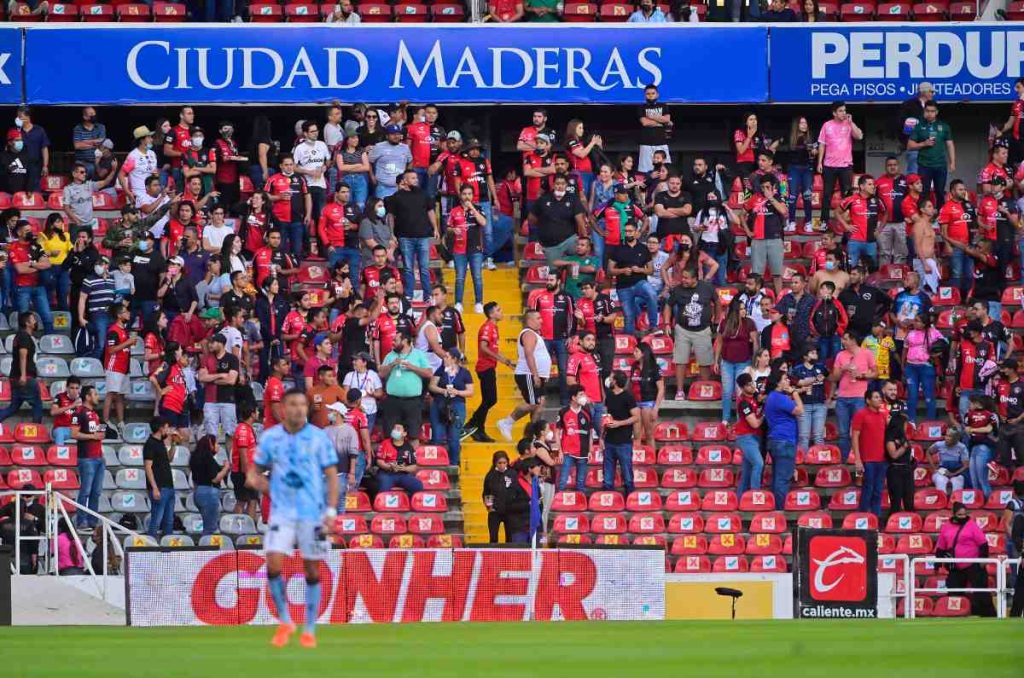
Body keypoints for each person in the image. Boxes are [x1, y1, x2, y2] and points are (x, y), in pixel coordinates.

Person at [247, 388, 340, 648]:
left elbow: (332, 476)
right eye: (293, 404)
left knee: (312, 569)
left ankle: (309, 628)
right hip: (282, 514)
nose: (298, 409)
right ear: (283, 408)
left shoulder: (318, 437)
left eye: (302, 404)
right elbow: (253, 473)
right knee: (273, 565)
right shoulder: (271, 438)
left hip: (313, 513)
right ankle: (286, 621)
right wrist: (264, 485)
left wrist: (331, 511)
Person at [497, 310, 552, 441]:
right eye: (538, 318)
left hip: (538, 375)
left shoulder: (535, 334)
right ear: (529, 320)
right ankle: (507, 422)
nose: (541, 321)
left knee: (540, 405)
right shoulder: (528, 333)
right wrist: (535, 374)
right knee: (534, 403)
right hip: (529, 374)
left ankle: (531, 436)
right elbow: (528, 353)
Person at [935, 502, 997, 617]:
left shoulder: (972, 525)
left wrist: (982, 560)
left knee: (981, 593)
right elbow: (941, 547)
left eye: (964, 514)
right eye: (960, 515)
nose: (963, 517)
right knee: (954, 593)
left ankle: (990, 617)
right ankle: (955, 616)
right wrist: (937, 564)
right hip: (955, 566)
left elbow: (983, 544)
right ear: (953, 514)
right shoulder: (946, 527)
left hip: (973, 565)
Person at [465, 302, 514, 443]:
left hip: (489, 366)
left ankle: (478, 429)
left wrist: (506, 361)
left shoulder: (494, 327)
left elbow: (492, 349)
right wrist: (501, 359)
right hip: (485, 367)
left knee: (489, 400)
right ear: (491, 314)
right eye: (498, 310)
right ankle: (472, 425)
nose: (501, 312)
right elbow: (483, 347)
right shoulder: (488, 327)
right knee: (491, 399)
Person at [387, 170, 438, 302]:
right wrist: (392, 233)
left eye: (416, 178)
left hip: (423, 236)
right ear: (405, 180)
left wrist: (435, 228)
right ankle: (408, 294)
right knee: (408, 268)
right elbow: (391, 216)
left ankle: (428, 295)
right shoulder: (397, 197)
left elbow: (430, 211)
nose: (416, 180)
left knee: (424, 268)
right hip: (405, 237)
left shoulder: (423, 194)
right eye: (413, 178)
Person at [667, 267, 717, 400]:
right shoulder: (678, 290)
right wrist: (666, 323)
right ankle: (679, 391)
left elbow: (717, 301)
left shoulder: (707, 288)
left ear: (695, 278)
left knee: (705, 362)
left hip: (703, 330)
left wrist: (717, 320)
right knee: (680, 361)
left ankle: (705, 390)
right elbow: (668, 305)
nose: (683, 280)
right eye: (682, 277)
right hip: (683, 330)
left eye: (686, 278)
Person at [379, 331, 434, 442]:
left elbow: (429, 373)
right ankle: (391, 453)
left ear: (404, 341)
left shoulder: (419, 354)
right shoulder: (390, 355)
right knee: (390, 434)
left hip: (413, 402)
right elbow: (381, 374)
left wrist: (412, 367)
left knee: (414, 434)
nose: (393, 342)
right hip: (393, 401)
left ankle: (411, 454)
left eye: (395, 340)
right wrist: (392, 364)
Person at [832, 330, 877, 461]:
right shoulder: (840, 355)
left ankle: (861, 458)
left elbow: (876, 373)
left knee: (860, 430)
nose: (843, 341)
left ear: (853, 340)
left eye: (845, 339)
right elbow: (834, 377)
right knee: (843, 432)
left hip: (859, 397)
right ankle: (845, 460)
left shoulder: (866, 353)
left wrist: (862, 375)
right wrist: (843, 369)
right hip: (842, 398)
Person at [817, 101, 863, 227]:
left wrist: (851, 122)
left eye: (845, 110)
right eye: (841, 111)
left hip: (846, 166)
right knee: (827, 195)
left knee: (847, 195)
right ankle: (824, 222)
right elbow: (822, 144)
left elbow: (859, 136)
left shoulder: (849, 124)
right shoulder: (827, 125)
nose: (844, 113)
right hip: (829, 166)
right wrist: (819, 162)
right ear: (834, 113)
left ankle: (847, 221)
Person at [742, 175, 788, 298]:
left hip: (775, 239)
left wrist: (771, 198)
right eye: (762, 187)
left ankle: (779, 300)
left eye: (767, 187)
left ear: (774, 187)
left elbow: (784, 211)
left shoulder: (779, 197)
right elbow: (742, 215)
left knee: (777, 274)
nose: (764, 189)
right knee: (757, 275)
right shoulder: (755, 197)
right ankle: (757, 300)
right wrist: (748, 232)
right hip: (758, 240)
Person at [609, 222, 659, 336]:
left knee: (652, 294)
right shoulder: (617, 249)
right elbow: (610, 270)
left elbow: (651, 270)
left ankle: (653, 326)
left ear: (636, 232)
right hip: (623, 287)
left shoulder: (644, 248)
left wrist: (640, 270)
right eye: (626, 231)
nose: (628, 234)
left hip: (639, 283)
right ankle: (633, 338)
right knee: (629, 320)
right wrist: (622, 270)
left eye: (630, 231)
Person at [532, 272, 574, 405]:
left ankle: (565, 399)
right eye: (548, 280)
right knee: (542, 369)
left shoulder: (567, 296)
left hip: (562, 339)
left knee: (563, 370)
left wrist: (570, 335)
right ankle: (540, 397)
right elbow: (532, 317)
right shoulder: (539, 296)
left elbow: (572, 316)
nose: (548, 282)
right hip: (544, 340)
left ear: (559, 281)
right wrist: (536, 335)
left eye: (551, 280)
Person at [764, 370, 803, 509]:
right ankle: (779, 510)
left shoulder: (772, 397)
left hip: (776, 440)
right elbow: (800, 410)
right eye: (785, 379)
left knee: (777, 478)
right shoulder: (779, 398)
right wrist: (795, 393)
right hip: (784, 441)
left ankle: (775, 508)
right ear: (778, 382)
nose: (788, 381)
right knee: (783, 479)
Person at [429, 349, 474, 467]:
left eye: (447, 357)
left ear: (454, 359)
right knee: (437, 436)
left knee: (454, 437)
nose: (444, 359)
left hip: (457, 404)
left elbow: (470, 391)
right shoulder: (440, 370)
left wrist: (457, 392)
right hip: (440, 403)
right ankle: (436, 464)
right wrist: (443, 391)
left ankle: (453, 464)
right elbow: (432, 386)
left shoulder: (464, 373)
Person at [908, 101, 955, 210]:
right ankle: (924, 214)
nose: (930, 113)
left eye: (932, 111)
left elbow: (950, 145)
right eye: (927, 111)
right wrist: (923, 144)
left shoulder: (944, 126)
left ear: (936, 112)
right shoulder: (919, 127)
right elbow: (910, 146)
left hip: (940, 165)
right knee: (924, 192)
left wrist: (952, 162)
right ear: (924, 111)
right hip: (924, 165)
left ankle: (940, 215)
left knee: (940, 192)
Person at [447, 184, 487, 313]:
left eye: (469, 194)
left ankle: (479, 303)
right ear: (460, 195)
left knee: (477, 277)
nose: (467, 196)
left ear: (473, 195)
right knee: (460, 277)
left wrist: (473, 209)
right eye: (464, 194)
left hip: (476, 249)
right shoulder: (454, 211)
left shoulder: (478, 209)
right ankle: (458, 303)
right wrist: (453, 230)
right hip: (459, 249)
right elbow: (448, 228)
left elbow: (483, 223)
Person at [9, 219, 54, 334]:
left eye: (30, 230)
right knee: (24, 320)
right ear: (19, 232)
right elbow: (20, 269)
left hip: (39, 286)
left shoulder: (36, 245)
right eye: (27, 231)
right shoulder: (14, 247)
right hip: (22, 287)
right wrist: (38, 266)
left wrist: (31, 264)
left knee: (47, 317)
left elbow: (47, 264)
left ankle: (49, 340)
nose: (30, 233)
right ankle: (24, 341)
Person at [264, 154, 312, 261]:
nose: (289, 167)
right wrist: (278, 197)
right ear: (281, 166)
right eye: (286, 165)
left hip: (297, 220)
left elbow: (307, 196)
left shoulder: (300, 178)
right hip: (279, 220)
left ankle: (295, 270)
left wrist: (308, 214)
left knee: (297, 251)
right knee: (280, 250)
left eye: (291, 164)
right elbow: (265, 196)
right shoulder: (273, 179)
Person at [69, 385, 104, 528]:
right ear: (88, 397)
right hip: (87, 458)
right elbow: (74, 434)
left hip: (99, 457)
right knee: (85, 491)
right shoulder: (78, 413)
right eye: (95, 394)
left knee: (96, 492)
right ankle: (81, 521)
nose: (97, 397)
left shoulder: (95, 414)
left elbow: (98, 432)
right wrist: (93, 436)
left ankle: (93, 522)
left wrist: (101, 432)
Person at [198, 333, 240, 449]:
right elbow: (201, 377)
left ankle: (230, 458)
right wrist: (220, 375)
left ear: (221, 344)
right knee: (211, 435)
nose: (210, 345)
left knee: (230, 433)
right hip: (210, 401)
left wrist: (211, 379)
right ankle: (212, 457)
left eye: (213, 342)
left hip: (228, 401)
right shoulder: (207, 359)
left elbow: (231, 380)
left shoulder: (232, 359)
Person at [850, 389, 888, 517]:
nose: (879, 399)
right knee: (868, 489)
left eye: (880, 397)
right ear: (868, 400)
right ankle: (862, 517)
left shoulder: (883, 416)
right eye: (876, 397)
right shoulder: (860, 415)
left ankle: (875, 519)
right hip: (867, 460)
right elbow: (855, 437)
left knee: (878, 491)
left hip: (882, 460)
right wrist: (857, 459)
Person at [0, 311, 42, 425]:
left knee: (13, 407)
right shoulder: (24, 336)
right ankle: (37, 430)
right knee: (37, 405)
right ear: (27, 323)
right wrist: (23, 375)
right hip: (25, 377)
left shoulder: (19, 336)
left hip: (15, 377)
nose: (35, 322)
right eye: (33, 319)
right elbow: (22, 355)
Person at [603, 370, 639, 497]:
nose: (609, 380)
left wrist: (619, 423)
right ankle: (608, 499)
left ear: (615, 381)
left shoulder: (628, 397)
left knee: (627, 474)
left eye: (611, 378)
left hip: (624, 442)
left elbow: (636, 417)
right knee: (607, 476)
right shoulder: (609, 396)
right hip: (609, 440)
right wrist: (602, 436)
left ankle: (630, 497)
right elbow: (606, 414)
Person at [838, 175, 884, 269]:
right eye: (870, 184)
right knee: (851, 267)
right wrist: (846, 226)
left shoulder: (877, 200)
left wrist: (880, 228)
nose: (873, 186)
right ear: (862, 186)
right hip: (854, 240)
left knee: (872, 268)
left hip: (871, 240)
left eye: (873, 184)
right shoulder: (851, 199)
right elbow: (836, 212)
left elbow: (886, 213)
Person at [103, 302, 135, 436]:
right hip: (114, 367)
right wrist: (128, 342)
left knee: (121, 396)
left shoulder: (124, 330)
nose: (128, 313)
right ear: (119, 315)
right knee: (111, 394)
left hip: (124, 367)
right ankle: (105, 421)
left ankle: (121, 422)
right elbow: (111, 350)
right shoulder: (113, 331)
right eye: (125, 311)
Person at [143, 416, 176, 539]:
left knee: (169, 521)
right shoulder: (150, 444)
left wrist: (174, 443)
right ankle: (150, 545)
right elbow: (148, 467)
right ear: (161, 428)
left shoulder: (161, 442)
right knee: (156, 520)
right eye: (166, 427)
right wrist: (155, 488)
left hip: (169, 486)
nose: (168, 430)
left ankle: (167, 546)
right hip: (159, 487)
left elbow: (169, 459)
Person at [190, 434, 229, 536]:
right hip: (209, 493)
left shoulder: (195, 457)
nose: (218, 446)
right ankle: (207, 545)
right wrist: (226, 468)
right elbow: (215, 479)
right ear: (210, 444)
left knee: (207, 525)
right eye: (216, 443)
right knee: (210, 529)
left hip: (198, 492)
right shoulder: (208, 458)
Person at [292, 120, 330, 223]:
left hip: (320, 185)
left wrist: (324, 167)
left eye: (316, 131)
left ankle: (320, 234)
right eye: (312, 131)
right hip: (306, 185)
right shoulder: (300, 148)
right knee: (307, 215)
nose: (316, 133)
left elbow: (328, 161)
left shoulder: (322, 145)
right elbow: (293, 167)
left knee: (321, 216)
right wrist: (308, 172)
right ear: (305, 133)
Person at [791, 345, 827, 452]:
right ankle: (803, 459)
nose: (815, 355)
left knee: (818, 436)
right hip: (804, 405)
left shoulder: (821, 367)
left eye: (816, 353)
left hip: (820, 404)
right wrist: (815, 379)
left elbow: (832, 378)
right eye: (812, 353)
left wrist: (829, 397)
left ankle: (820, 459)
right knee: (803, 437)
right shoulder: (797, 369)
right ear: (805, 356)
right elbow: (798, 383)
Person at [733, 373, 764, 496]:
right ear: (742, 387)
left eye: (752, 383)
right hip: (746, 437)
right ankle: (755, 496)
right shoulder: (743, 403)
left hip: (754, 437)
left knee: (747, 472)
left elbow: (762, 398)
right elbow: (755, 424)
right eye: (748, 385)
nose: (752, 386)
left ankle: (740, 499)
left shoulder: (753, 396)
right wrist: (764, 415)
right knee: (758, 463)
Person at [964, 394, 998, 498]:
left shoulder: (992, 415)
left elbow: (988, 429)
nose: (969, 405)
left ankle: (989, 501)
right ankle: (978, 502)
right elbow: (967, 430)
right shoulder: (970, 415)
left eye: (971, 403)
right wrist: (972, 430)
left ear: (978, 404)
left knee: (982, 479)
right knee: (974, 480)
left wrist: (973, 429)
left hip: (985, 448)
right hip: (973, 447)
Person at [375, 422, 424, 496]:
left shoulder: (408, 447)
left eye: (398, 429)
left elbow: (414, 467)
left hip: (402, 474)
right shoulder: (385, 443)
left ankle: (406, 501)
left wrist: (404, 468)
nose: (395, 431)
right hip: (386, 474)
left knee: (418, 486)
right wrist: (389, 467)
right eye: (394, 428)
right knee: (384, 489)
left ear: (404, 433)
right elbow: (379, 461)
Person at [631, 342, 664, 449]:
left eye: (636, 351)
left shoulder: (654, 368)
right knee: (636, 436)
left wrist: (656, 408)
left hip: (648, 404)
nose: (634, 353)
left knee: (649, 435)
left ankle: (652, 458)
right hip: (636, 404)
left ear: (643, 353)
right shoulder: (634, 367)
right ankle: (636, 458)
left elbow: (661, 389)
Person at [638, 84, 672, 173]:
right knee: (646, 171)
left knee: (666, 169)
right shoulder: (641, 107)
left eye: (653, 93)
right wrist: (661, 122)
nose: (650, 95)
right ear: (645, 95)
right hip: (646, 144)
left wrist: (652, 116)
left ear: (657, 94)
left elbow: (667, 119)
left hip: (661, 142)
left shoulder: (663, 106)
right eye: (648, 94)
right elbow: (645, 123)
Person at [885, 411, 915, 513]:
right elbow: (893, 455)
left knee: (909, 499)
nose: (906, 426)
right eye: (905, 424)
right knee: (896, 500)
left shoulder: (903, 437)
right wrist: (903, 447)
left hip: (907, 470)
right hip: (895, 471)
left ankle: (910, 518)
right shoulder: (890, 438)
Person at [483, 451, 516, 543]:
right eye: (499, 463)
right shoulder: (490, 475)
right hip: (495, 511)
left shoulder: (512, 474)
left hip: (509, 511)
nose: (502, 465)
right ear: (495, 463)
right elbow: (486, 492)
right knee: (493, 538)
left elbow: (516, 490)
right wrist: (489, 506)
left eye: (504, 463)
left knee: (510, 538)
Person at [51, 377, 82, 446]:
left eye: (77, 388)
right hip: (62, 428)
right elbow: (53, 412)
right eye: (72, 388)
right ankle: (59, 452)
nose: (74, 391)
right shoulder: (59, 397)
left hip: (77, 429)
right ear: (67, 388)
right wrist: (71, 406)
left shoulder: (82, 398)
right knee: (60, 432)